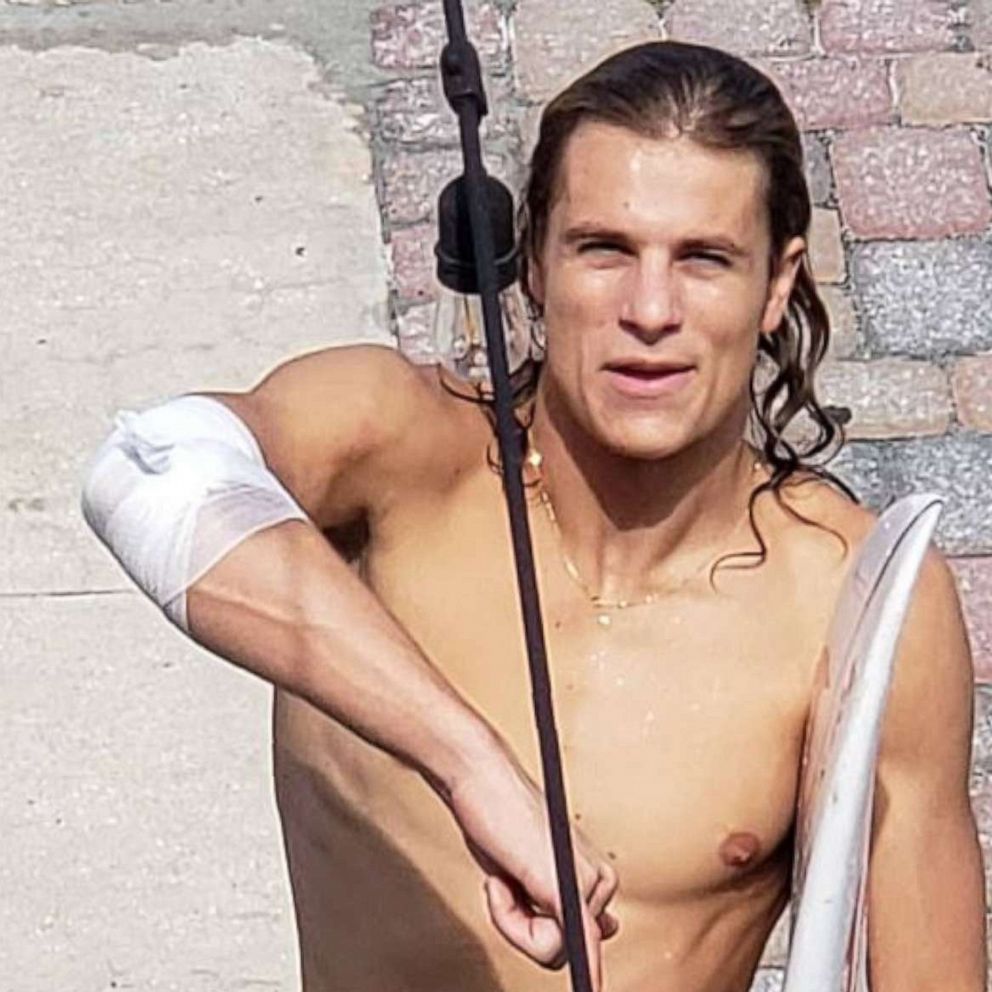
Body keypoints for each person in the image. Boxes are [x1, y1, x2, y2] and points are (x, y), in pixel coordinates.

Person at [82, 40, 986, 992]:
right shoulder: (393, 456)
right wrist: (474, 767)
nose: (649, 309)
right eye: (605, 250)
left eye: (704, 260)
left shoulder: (850, 597)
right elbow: (145, 471)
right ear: (534, 268)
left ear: (776, 284)